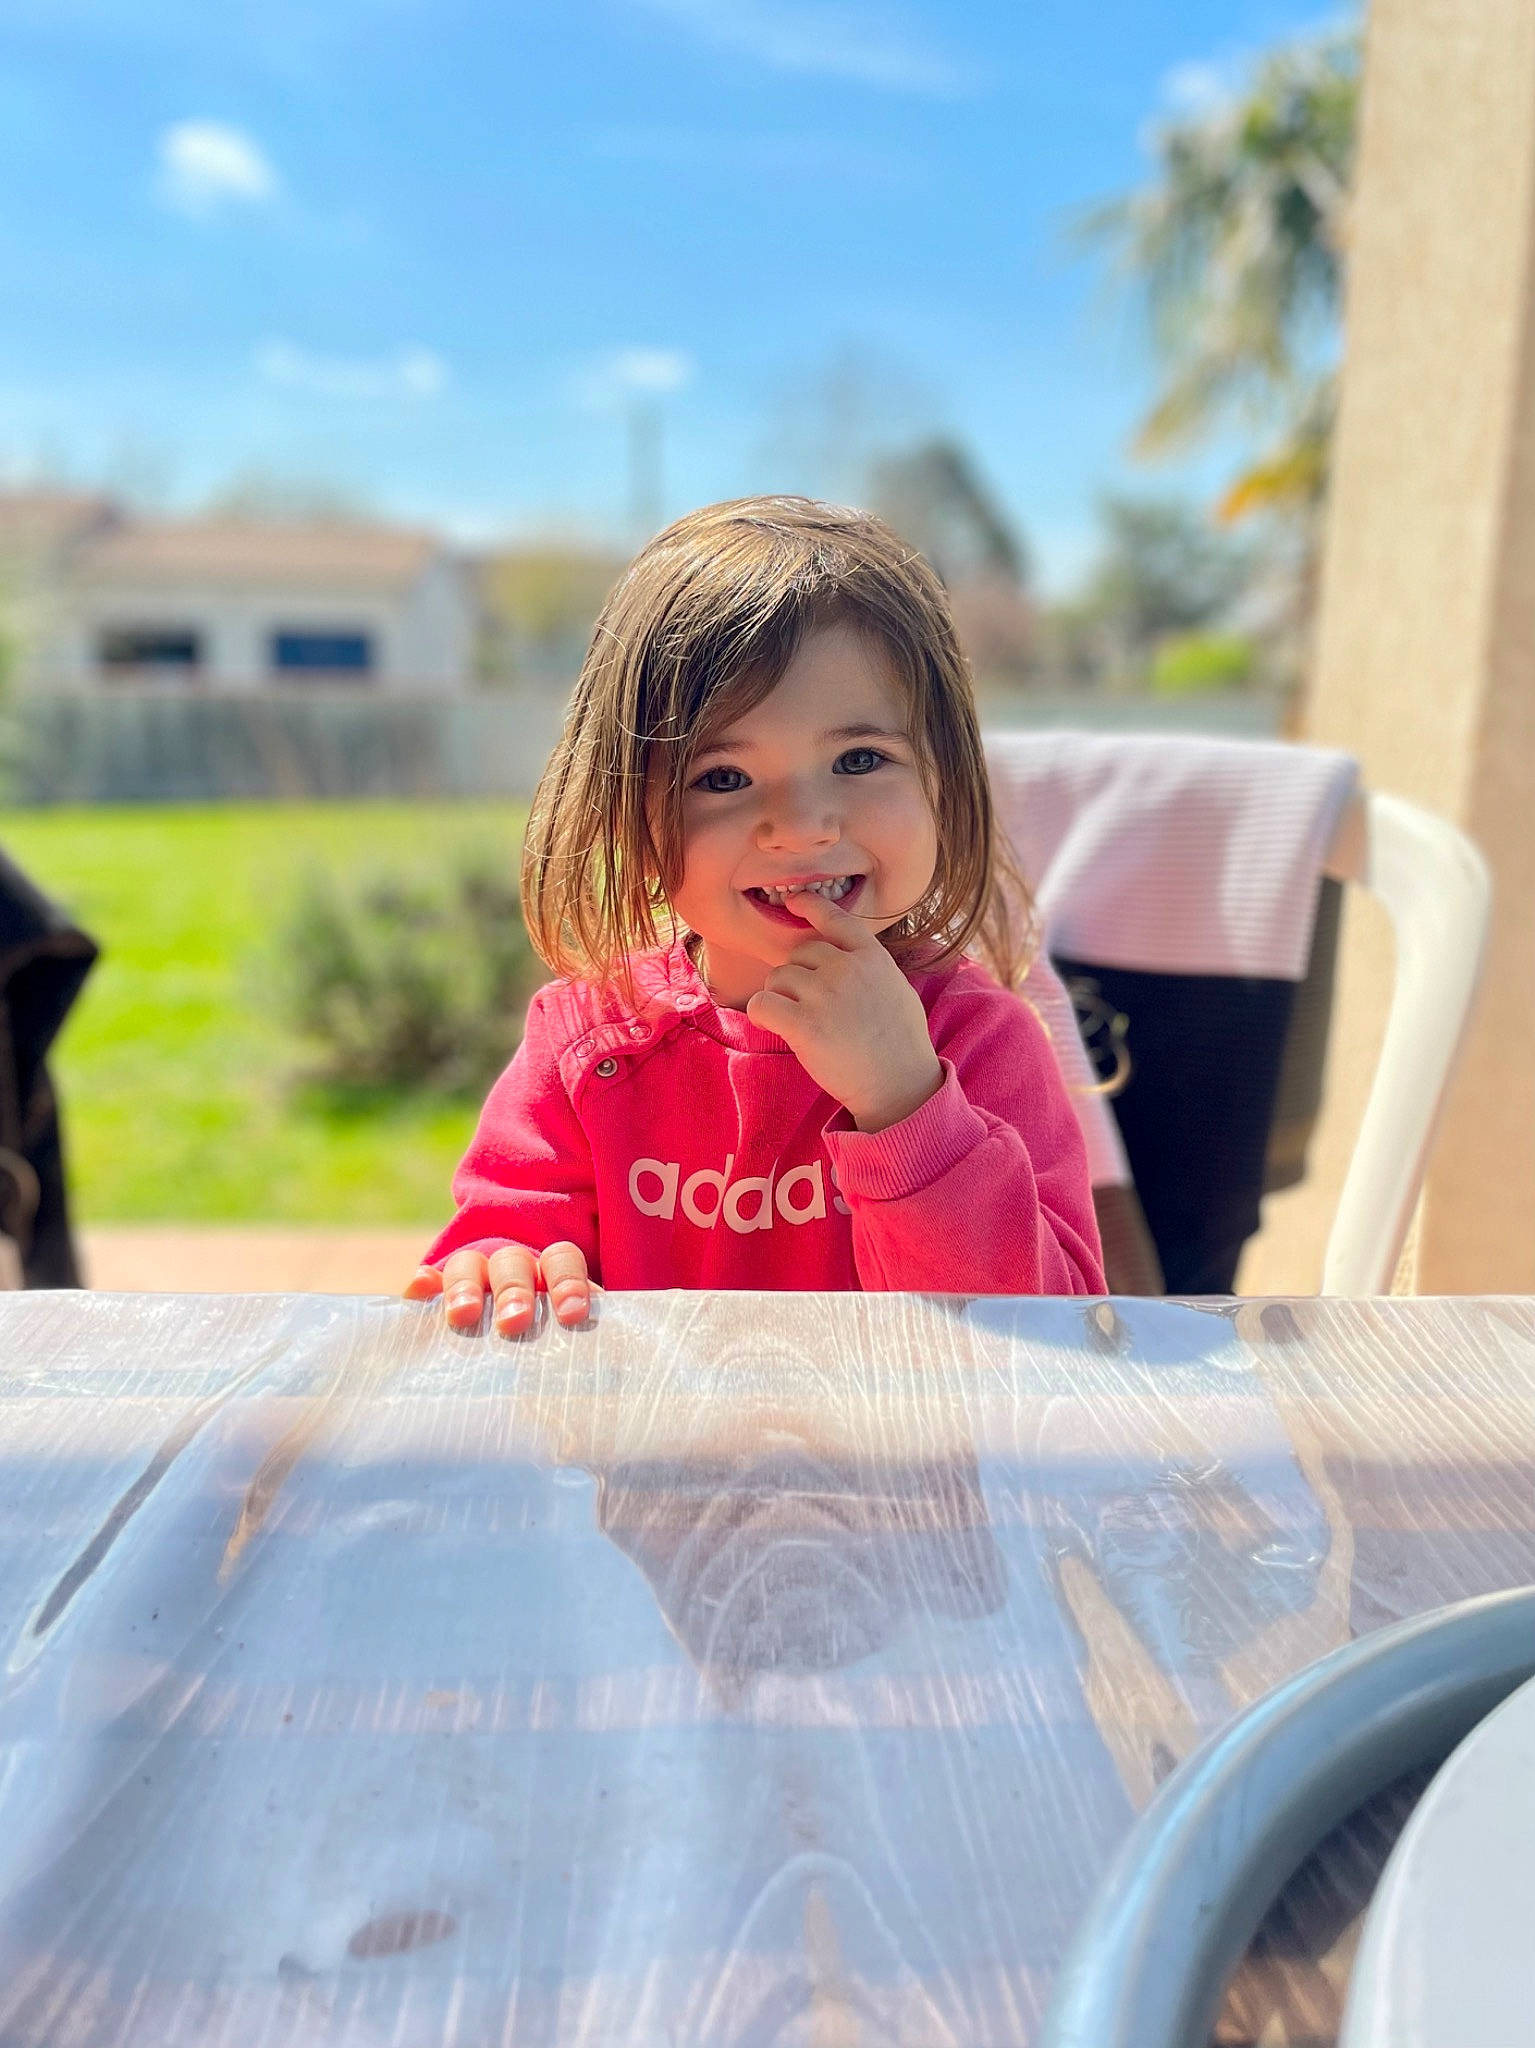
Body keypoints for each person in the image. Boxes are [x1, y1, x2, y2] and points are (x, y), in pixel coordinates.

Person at [406, 496, 1104, 1335]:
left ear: (945, 785)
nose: (804, 825)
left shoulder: (981, 1045)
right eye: (723, 778)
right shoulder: (587, 1044)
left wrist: (907, 1106)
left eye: (858, 759)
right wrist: (504, 1262)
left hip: (901, 1465)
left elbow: (1051, 1343)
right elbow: (503, 1237)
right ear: (629, 812)